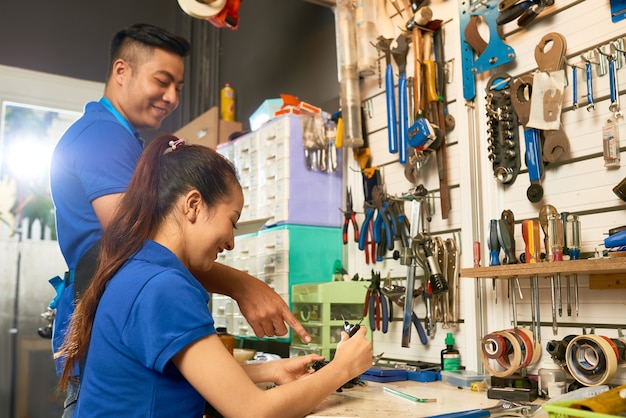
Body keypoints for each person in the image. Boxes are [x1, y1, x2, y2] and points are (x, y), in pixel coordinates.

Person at [49, 23, 310, 416]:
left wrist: (263, 370)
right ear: (122, 71)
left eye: (179, 87)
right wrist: (241, 284)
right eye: (162, 81)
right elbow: (140, 241)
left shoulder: (120, 139)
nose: (171, 97)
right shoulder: (102, 137)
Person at [56, 135, 373, 417]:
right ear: (193, 205)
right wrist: (341, 369)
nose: (232, 241)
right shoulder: (163, 287)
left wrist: (268, 370)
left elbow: (169, 377)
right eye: (232, 221)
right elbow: (254, 411)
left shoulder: (135, 270)